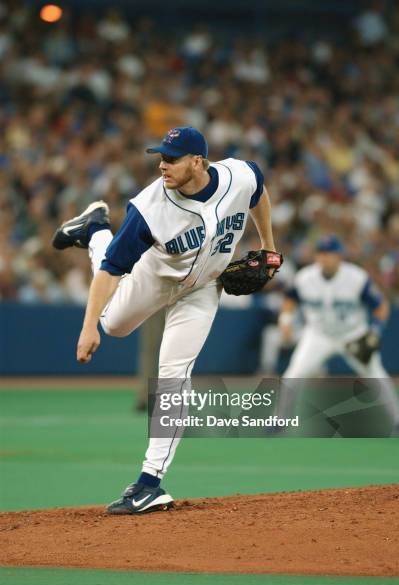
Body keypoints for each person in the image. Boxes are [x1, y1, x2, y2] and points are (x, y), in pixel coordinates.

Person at [52, 126, 279, 514]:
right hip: (155, 277)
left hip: (205, 287)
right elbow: (110, 272)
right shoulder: (149, 208)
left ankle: (149, 482)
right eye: (161, 157)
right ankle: (93, 231)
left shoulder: (239, 175)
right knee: (113, 324)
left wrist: (269, 246)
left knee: (174, 375)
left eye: (172, 158)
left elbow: (258, 191)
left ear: (198, 162)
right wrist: (88, 327)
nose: (162, 165)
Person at [278, 236, 398, 430]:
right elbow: (290, 299)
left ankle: (397, 419)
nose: (325, 258)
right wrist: (285, 320)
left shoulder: (356, 277)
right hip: (318, 335)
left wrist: (374, 332)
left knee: (377, 376)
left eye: (330, 254)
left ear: (339, 256)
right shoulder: (305, 278)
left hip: (352, 334)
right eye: (322, 254)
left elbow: (381, 307)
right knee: (293, 375)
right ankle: (279, 420)